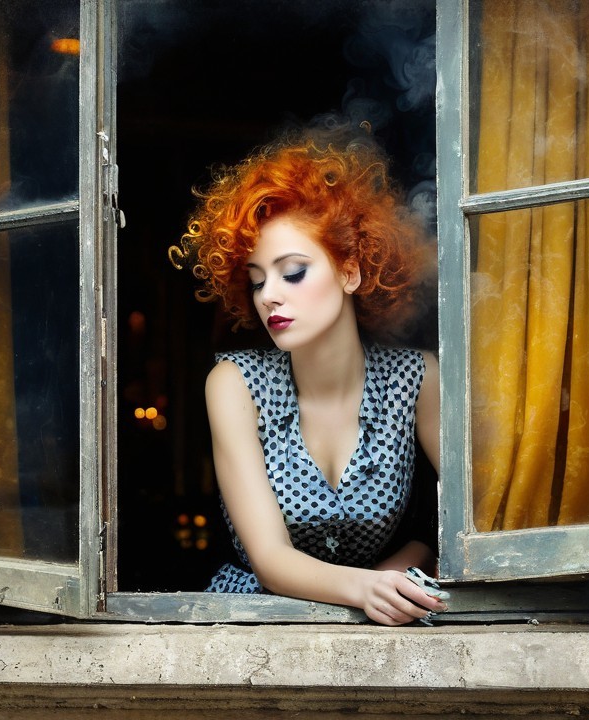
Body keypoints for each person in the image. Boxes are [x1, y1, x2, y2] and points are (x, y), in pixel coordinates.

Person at [169, 127, 445, 626]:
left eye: (292, 272)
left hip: (382, 627)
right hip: (250, 626)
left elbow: (469, 519)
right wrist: (368, 588)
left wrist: (396, 575)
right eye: (256, 280)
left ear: (350, 272)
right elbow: (271, 561)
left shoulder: (417, 379)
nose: (268, 295)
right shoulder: (234, 384)